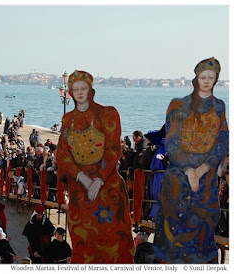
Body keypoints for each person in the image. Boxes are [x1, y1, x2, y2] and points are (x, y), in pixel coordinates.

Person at [153, 57, 229, 264]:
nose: (206, 81)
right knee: (172, 232)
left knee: (203, 230)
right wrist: (188, 169)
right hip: (178, 177)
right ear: (196, 78)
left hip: (207, 181)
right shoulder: (178, 105)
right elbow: (172, 142)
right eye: (203, 77)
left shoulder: (219, 106)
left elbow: (223, 141)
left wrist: (203, 168)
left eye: (210, 77)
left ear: (216, 80)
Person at [56, 70, 134, 263]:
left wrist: (98, 180)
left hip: (108, 187)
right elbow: (62, 154)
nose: (80, 92)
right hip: (79, 190)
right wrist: (82, 177)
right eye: (76, 89)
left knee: (113, 237)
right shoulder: (68, 120)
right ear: (71, 92)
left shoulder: (107, 113)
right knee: (83, 240)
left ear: (90, 90)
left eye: (83, 88)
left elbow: (113, 149)